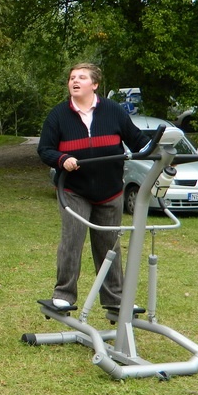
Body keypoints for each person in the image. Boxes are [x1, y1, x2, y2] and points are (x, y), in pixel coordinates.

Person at [37, 63, 150, 310]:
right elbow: (44, 150)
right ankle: (64, 295)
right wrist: (62, 159)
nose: (74, 81)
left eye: (81, 77)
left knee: (109, 247)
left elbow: (139, 141)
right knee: (72, 242)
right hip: (74, 191)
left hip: (110, 191)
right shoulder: (58, 115)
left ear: (95, 84)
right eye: (71, 78)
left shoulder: (113, 111)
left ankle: (115, 301)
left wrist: (160, 149)